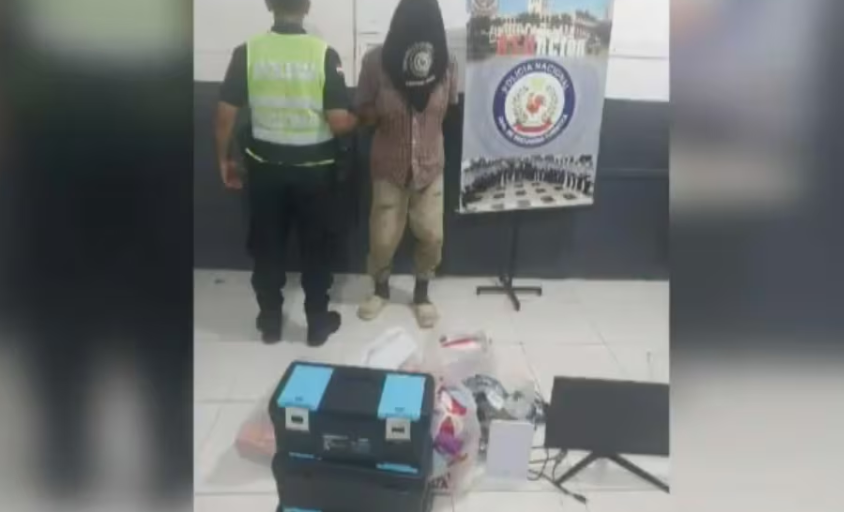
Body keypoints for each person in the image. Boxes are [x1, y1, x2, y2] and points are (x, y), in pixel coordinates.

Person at [214, 0, 358, 346]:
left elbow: (224, 116)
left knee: (267, 247)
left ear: (268, 4)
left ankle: (270, 323)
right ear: (307, 6)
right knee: (316, 248)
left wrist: (223, 160)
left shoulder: (247, 53)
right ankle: (317, 324)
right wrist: (363, 117)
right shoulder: (324, 54)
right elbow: (339, 123)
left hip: (265, 171)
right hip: (314, 174)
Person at [355, 0, 458, 328]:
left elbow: (448, 107)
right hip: (389, 165)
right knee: (382, 238)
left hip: (430, 165)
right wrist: (380, 113)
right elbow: (362, 108)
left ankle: (422, 294)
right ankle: (380, 289)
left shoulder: (446, 63)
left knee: (432, 235)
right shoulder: (376, 61)